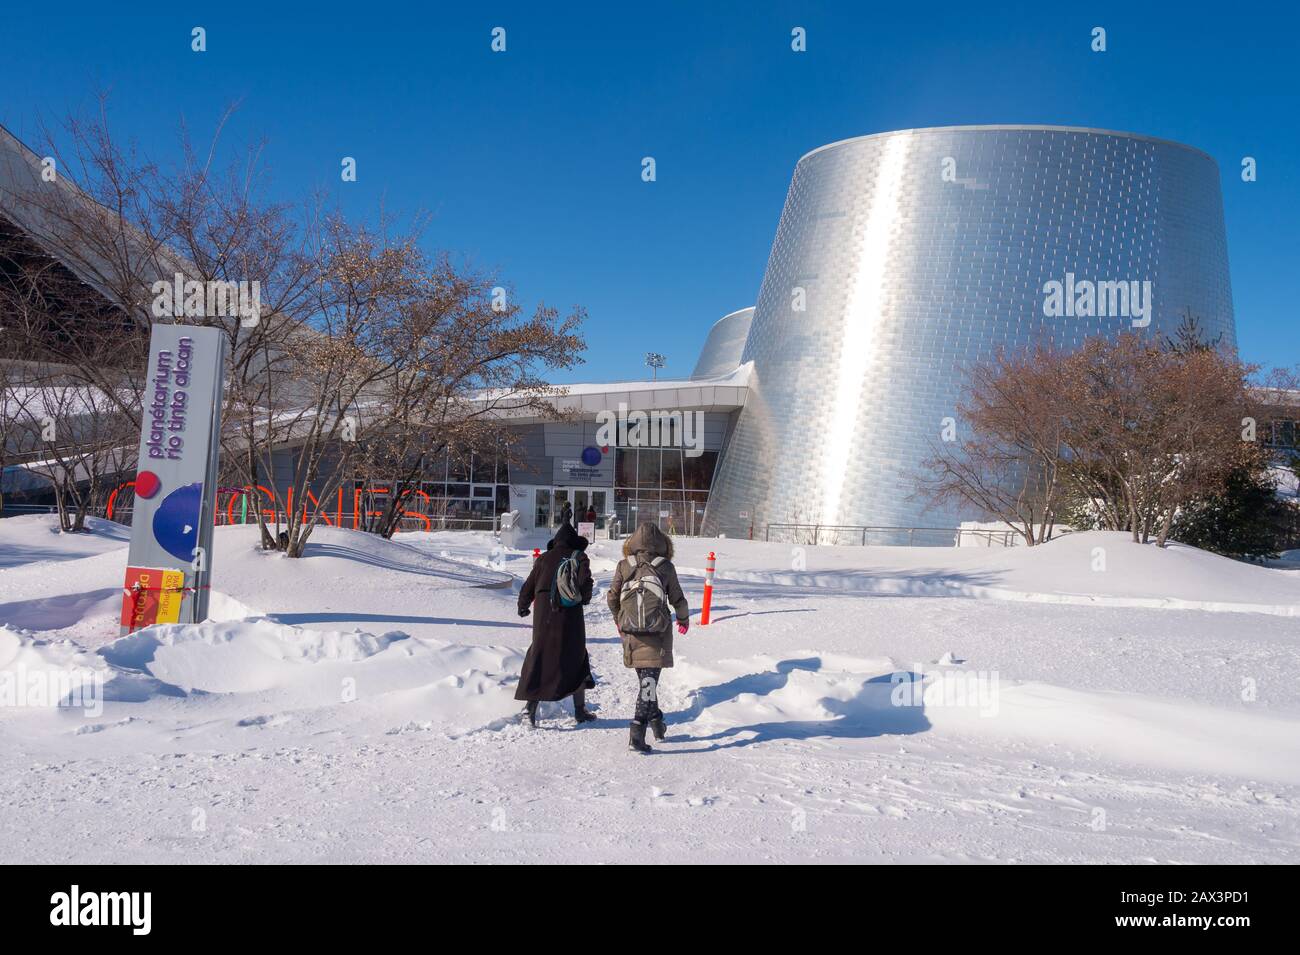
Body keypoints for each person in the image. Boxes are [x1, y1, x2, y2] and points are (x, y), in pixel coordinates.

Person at [606, 522, 689, 753]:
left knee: (647, 683)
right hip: (657, 635)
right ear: (662, 544)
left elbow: (612, 597)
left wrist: (619, 620)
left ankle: (657, 722)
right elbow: (677, 598)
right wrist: (684, 619)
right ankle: (636, 734)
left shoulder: (625, 565)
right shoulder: (666, 566)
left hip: (631, 634)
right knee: (648, 685)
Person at [515, 522, 596, 725]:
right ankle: (580, 711)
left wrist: (523, 606)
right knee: (576, 658)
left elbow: (529, 585)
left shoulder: (543, 558)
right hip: (570, 616)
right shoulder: (579, 557)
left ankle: (529, 710)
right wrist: (584, 598)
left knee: (539, 657)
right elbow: (586, 584)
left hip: (544, 615)